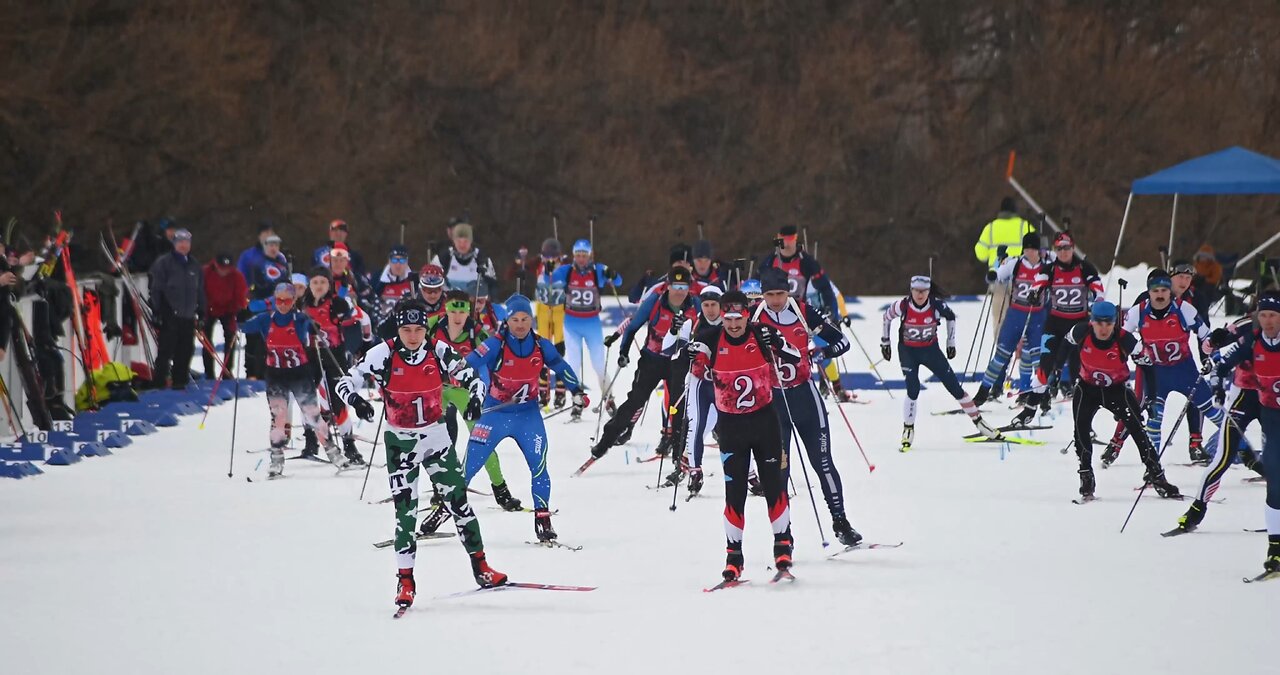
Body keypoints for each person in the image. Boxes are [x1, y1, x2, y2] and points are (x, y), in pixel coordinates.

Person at [335, 298, 508, 610]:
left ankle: (481, 567)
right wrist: (356, 400)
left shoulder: (439, 350)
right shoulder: (383, 353)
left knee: (459, 503)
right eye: (406, 329)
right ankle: (405, 581)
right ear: (398, 329)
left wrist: (475, 399)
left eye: (418, 329)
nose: (413, 336)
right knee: (405, 514)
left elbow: (473, 377)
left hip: (436, 438)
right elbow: (345, 381)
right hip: (400, 444)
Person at [686, 289, 800, 582]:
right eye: (728, 318)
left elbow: (795, 356)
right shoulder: (711, 337)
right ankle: (733, 556)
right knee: (734, 493)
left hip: (765, 424)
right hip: (732, 429)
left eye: (739, 318)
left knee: (774, 485)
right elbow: (690, 364)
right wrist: (689, 354)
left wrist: (776, 343)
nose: (734, 324)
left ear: (747, 315)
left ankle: (782, 545)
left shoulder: (762, 333)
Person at [462, 294, 585, 543]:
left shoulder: (541, 345)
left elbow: (560, 366)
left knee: (539, 466)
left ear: (532, 319)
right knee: (469, 466)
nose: (520, 324)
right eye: (515, 319)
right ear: (507, 320)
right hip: (495, 413)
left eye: (525, 318)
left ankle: (543, 518)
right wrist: (464, 384)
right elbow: (469, 363)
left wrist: (577, 391)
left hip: (528, 416)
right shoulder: (496, 344)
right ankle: (446, 507)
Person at [754, 267, 860, 546]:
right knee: (779, 471)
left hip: (805, 398)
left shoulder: (802, 310)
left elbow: (842, 341)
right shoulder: (753, 315)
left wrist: (819, 352)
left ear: (788, 291)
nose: (775, 300)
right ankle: (783, 535)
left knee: (823, 462)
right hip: (773, 402)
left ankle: (841, 522)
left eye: (780, 294)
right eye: (769, 295)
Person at [414, 291, 524, 537]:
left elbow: (496, 357)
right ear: (446, 308)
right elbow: (407, 338)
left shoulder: (476, 332)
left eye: (462, 311)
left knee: (481, 438)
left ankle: (501, 490)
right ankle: (438, 488)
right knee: (434, 440)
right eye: (453, 310)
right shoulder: (432, 325)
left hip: (465, 391)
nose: (457, 316)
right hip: (436, 389)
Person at [1046, 301, 1179, 501]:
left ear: (1114, 323)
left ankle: (1157, 475)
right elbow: (1064, 346)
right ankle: (1086, 475)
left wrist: (1151, 400)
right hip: (1087, 388)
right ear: (1092, 322)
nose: (1103, 328)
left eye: (1108, 323)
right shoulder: (1081, 331)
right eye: (1099, 323)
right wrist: (1057, 371)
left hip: (1116, 390)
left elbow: (1149, 368)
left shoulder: (1126, 340)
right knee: (1080, 429)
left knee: (1137, 429)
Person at [1168, 309, 1269, 536]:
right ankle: (1195, 512)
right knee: (1222, 458)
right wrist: (1214, 341)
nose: (1269, 321)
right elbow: (1214, 353)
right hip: (1243, 396)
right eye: (1265, 315)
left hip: (1272, 400)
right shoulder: (1248, 325)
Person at [241, 283, 349, 477]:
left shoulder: (300, 319)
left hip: (300, 374)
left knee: (313, 415)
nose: (282, 304)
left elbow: (315, 326)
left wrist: (314, 328)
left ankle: (333, 452)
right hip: (275, 375)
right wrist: (241, 314)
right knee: (278, 418)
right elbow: (244, 327)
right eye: (279, 300)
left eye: (287, 300)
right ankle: (276, 458)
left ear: (293, 301)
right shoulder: (266, 319)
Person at [591, 266, 699, 459]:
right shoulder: (655, 302)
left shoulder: (695, 305)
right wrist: (623, 351)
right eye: (676, 285)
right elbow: (632, 327)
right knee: (635, 401)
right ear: (668, 286)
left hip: (679, 363)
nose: (680, 291)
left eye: (684, 286)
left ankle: (678, 451)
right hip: (652, 360)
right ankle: (606, 441)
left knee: (679, 406)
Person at [881, 275, 1000, 450]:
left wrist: (950, 343)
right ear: (911, 290)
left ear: (929, 291)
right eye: (916, 291)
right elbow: (886, 317)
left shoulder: (936, 306)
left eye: (924, 291)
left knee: (955, 388)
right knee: (912, 389)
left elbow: (951, 317)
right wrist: (885, 342)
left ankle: (980, 423)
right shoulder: (903, 305)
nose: (920, 295)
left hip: (931, 351)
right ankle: (908, 429)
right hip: (908, 351)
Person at [1118, 270, 1224, 466]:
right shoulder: (1137, 312)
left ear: (1170, 292)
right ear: (1149, 292)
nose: (1160, 294)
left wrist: (1213, 356)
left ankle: (1248, 455)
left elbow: (1205, 335)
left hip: (1185, 371)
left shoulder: (1184, 309)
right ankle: (1153, 468)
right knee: (1154, 420)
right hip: (1157, 375)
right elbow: (1122, 337)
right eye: (1155, 290)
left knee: (1215, 415)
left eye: (1164, 290)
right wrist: (1133, 352)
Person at [1015, 230, 1103, 418]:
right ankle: (1030, 409)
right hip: (1055, 324)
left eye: (1067, 248)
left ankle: (1085, 418)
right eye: (1059, 249)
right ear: (1055, 250)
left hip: (1079, 325)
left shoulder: (1084, 267)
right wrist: (1034, 293)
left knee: (1079, 370)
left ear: (1073, 248)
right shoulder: (1051, 269)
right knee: (1044, 366)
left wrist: (1098, 301)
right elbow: (1038, 283)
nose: (1063, 252)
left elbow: (1097, 287)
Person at [973, 232, 1047, 408]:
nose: (1029, 252)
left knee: (1037, 359)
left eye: (1033, 249)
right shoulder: (1016, 263)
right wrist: (992, 276)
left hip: (1037, 315)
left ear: (1038, 250)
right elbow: (998, 274)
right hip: (1016, 314)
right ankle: (983, 391)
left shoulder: (1046, 266)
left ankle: (1039, 395)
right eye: (1027, 248)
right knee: (1001, 355)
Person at [551, 239, 623, 419]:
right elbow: (549, 278)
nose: (581, 259)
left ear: (589, 255)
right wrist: (549, 269)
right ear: (574, 255)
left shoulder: (598, 270)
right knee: (573, 365)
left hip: (592, 323)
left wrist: (612, 274)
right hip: (571, 323)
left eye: (584, 255)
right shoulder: (567, 270)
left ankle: (609, 399)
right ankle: (577, 402)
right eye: (578, 255)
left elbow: (619, 281)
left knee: (599, 364)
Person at [299, 266, 364, 466]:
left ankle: (349, 445)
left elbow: (353, 323)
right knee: (307, 398)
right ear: (310, 285)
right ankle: (311, 440)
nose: (319, 286)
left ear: (330, 285)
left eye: (323, 282)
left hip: (334, 353)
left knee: (338, 401)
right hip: (310, 354)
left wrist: (345, 319)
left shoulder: (337, 303)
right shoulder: (302, 305)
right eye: (315, 283)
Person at [678, 284, 724, 497]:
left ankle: (751, 474)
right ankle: (695, 471)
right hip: (699, 382)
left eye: (714, 304)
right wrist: (681, 345)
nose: (710, 309)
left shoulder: (731, 323)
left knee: (734, 429)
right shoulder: (692, 324)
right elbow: (671, 350)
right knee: (695, 425)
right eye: (706, 305)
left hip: (724, 385)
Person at [148, 229, 206, 389]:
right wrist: (157, 311)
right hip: (170, 314)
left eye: (186, 242)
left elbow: (199, 290)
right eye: (180, 242)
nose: (183, 245)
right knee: (166, 352)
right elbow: (156, 288)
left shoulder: (194, 264)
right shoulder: (164, 263)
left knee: (185, 351)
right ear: (174, 244)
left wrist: (201, 312)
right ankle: (159, 384)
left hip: (188, 315)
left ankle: (180, 382)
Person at [973, 197, 1036, 339]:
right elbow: (1037, 249)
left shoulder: (991, 228)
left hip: (997, 278)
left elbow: (980, 254)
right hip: (1021, 277)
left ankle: (1001, 347)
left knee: (999, 316)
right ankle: (1022, 346)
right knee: (1022, 314)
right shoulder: (1024, 226)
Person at [754, 226, 841, 322]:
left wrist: (831, 312)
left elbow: (825, 288)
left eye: (790, 239)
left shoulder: (807, 261)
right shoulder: (770, 261)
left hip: (799, 312)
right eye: (784, 239)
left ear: (795, 239)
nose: (787, 243)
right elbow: (755, 285)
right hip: (774, 312)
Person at [242, 233, 291, 379]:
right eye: (270, 245)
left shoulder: (282, 264)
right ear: (265, 246)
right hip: (260, 305)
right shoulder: (259, 263)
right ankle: (252, 372)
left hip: (276, 307)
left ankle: (270, 369)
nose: (273, 248)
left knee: (271, 341)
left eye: (276, 245)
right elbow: (259, 284)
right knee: (255, 340)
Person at [201, 252, 247, 378]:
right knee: (207, 340)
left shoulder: (237, 276)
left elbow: (240, 295)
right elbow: (200, 292)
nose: (224, 271)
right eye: (221, 268)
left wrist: (241, 309)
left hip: (228, 309)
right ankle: (209, 372)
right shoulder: (205, 272)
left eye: (227, 269)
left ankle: (227, 371)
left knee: (230, 338)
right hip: (208, 308)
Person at [534, 238, 567, 407]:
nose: (550, 260)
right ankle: (542, 392)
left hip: (559, 311)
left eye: (553, 257)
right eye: (547, 257)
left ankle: (561, 392)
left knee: (559, 351)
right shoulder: (539, 267)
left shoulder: (564, 268)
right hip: (543, 312)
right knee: (542, 352)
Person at [377, 264, 446, 340]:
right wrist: (395, 313)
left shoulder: (449, 303)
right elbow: (381, 331)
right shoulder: (408, 303)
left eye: (437, 290)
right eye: (428, 290)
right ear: (420, 287)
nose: (433, 295)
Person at [432, 221, 499, 296]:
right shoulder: (443, 257)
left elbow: (492, 285)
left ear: (471, 241)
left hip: (475, 302)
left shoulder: (481, 258)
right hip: (449, 301)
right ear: (453, 241)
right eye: (459, 241)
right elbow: (432, 282)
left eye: (465, 241)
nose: (462, 245)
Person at [370, 244, 416, 328]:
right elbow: (371, 303)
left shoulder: (413, 281)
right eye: (394, 260)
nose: (398, 265)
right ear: (389, 261)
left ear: (407, 262)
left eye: (402, 261)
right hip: (383, 325)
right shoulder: (378, 279)